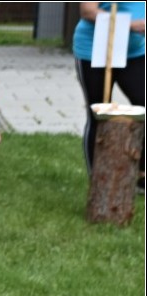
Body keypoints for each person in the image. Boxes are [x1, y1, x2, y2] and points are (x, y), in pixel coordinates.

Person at [73, 2, 146, 193]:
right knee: (98, 112)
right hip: (95, 50)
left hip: (134, 51)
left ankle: (142, 175)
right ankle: (98, 181)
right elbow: (87, 11)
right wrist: (131, 25)